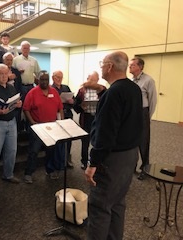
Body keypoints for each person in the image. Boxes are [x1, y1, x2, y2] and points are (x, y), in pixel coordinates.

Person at [84, 51, 143, 240]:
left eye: (103, 63)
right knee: (117, 203)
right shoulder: (133, 88)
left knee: (100, 206)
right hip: (131, 155)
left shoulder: (114, 93)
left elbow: (105, 134)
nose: (101, 66)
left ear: (110, 66)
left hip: (112, 159)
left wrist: (93, 163)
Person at [23, 71, 64, 183]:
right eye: (42, 80)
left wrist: (61, 122)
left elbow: (60, 107)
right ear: (38, 80)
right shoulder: (32, 92)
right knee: (34, 151)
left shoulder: (54, 92)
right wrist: (32, 122)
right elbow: (26, 109)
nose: (45, 82)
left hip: (51, 127)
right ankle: (28, 173)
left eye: (46, 79)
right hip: (38, 127)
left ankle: (49, 171)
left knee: (50, 151)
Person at [129, 56, 157, 180]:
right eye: (130, 65)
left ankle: (145, 168)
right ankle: (132, 166)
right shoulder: (131, 80)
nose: (130, 67)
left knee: (143, 142)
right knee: (131, 140)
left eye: (132, 65)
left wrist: (147, 117)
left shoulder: (148, 80)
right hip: (132, 113)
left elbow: (152, 100)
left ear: (140, 67)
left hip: (142, 113)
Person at [74, 71, 103, 170]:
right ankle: (84, 161)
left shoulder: (102, 89)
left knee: (98, 141)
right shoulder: (82, 91)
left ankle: (96, 161)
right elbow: (75, 106)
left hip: (98, 118)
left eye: (94, 80)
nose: (92, 82)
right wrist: (81, 106)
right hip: (86, 118)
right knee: (85, 141)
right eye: (90, 80)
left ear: (98, 80)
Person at [51, 70, 74, 168]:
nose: (59, 79)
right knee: (57, 140)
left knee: (69, 139)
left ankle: (66, 159)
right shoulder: (50, 89)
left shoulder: (66, 87)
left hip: (67, 114)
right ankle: (57, 162)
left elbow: (75, 99)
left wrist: (72, 101)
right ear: (53, 78)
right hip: (56, 116)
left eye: (61, 77)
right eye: (57, 77)